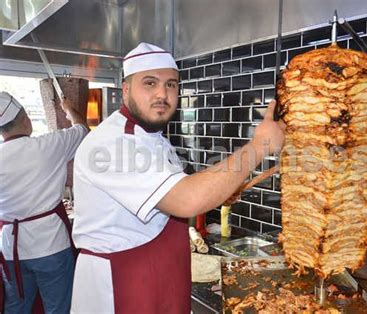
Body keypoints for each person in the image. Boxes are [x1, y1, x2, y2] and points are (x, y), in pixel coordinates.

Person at [71, 42, 285, 313]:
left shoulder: (154, 139)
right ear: (126, 89)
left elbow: (182, 190)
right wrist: (260, 146)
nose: (162, 93)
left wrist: (222, 189)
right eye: (150, 83)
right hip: (121, 285)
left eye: (171, 84)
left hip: (158, 275)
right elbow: (186, 199)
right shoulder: (114, 143)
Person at [0, 92, 88, 313]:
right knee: (58, 308)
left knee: (15, 308)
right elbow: (82, 130)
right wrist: (69, 109)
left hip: (11, 250)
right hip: (50, 246)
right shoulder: (49, 145)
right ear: (25, 120)